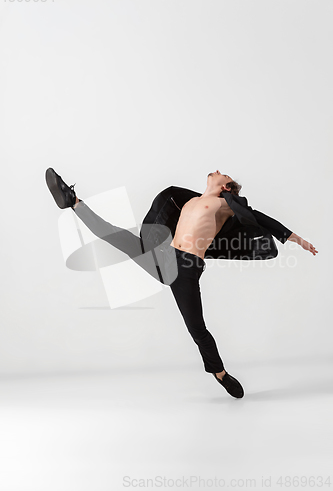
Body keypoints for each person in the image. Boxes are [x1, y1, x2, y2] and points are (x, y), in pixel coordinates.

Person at [45, 168, 318, 399]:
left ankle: (220, 373)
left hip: (186, 268)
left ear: (225, 186)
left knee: (197, 328)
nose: (216, 169)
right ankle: (74, 201)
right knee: (118, 237)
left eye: (222, 173)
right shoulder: (187, 200)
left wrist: (297, 239)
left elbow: (261, 219)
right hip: (164, 258)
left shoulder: (225, 205)